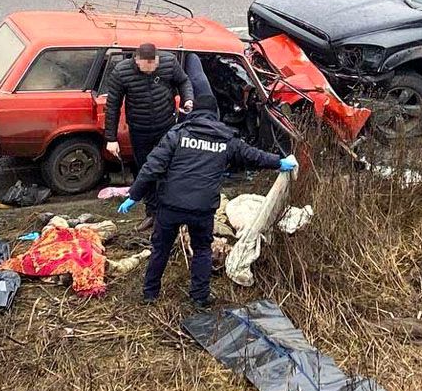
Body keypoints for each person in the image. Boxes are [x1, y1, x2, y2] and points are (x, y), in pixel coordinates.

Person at [119, 94, 297, 306]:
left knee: (161, 249)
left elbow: (151, 167)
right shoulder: (226, 139)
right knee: (202, 250)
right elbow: (253, 156)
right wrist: (279, 162)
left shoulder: (177, 134)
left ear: (193, 113)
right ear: (216, 114)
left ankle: (150, 294)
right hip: (202, 208)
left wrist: (134, 195)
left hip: (170, 205)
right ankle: (199, 298)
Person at [104, 43, 194, 231]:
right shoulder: (121, 72)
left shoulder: (168, 62)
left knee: (170, 168)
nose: (151, 70)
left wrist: (188, 99)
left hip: (166, 127)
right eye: (147, 66)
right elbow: (112, 105)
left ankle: (172, 209)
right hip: (140, 130)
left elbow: (184, 81)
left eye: (154, 65)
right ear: (137, 61)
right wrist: (111, 138)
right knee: (146, 170)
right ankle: (152, 212)